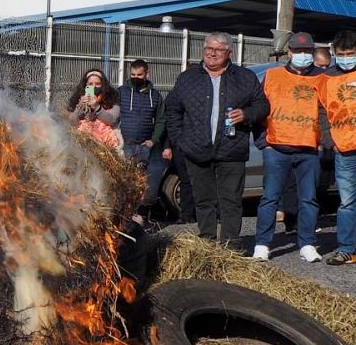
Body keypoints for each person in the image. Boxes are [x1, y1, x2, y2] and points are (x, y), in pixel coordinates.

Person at [166, 33, 268, 247]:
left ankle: (231, 247)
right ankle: (208, 244)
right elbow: (173, 109)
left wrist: (247, 114)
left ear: (229, 53)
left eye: (218, 49)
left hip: (232, 150)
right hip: (196, 150)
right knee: (203, 201)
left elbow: (262, 106)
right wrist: (179, 140)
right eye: (208, 49)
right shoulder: (187, 78)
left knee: (231, 201)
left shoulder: (245, 77)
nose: (212, 53)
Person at [253, 32, 324, 262]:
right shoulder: (272, 76)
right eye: (298, 50)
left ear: (312, 53)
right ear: (289, 52)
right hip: (277, 148)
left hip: (309, 150)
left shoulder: (322, 78)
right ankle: (262, 244)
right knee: (270, 198)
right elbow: (258, 108)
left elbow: (329, 112)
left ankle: (307, 243)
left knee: (309, 199)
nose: (302, 55)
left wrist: (324, 141)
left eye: (307, 51)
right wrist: (263, 142)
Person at [321, 31, 356, 265]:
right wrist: (329, 140)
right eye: (341, 54)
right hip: (344, 150)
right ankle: (347, 249)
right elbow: (321, 111)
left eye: (351, 54)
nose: (345, 58)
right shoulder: (326, 79)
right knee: (347, 203)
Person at [118, 60, 167, 211]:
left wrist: (153, 140)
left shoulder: (156, 95)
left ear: (147, 74)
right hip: (124, 145)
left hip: (145, 147)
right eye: (133, 74)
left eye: (139, 75)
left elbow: (161, 120)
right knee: (124, 184)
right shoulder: (120, 92)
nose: (136, 77)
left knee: (144, 186)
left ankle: (142, 217)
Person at [68, 68, 121, 147]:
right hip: (85, 140)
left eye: (97, 84)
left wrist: (97, 107)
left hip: (107, 141)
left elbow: (111, 120)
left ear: (103, 85)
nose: (94, 86)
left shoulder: (112, 99)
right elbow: (73, 122)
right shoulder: (79, 98)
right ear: (86, 85)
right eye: (90, 84)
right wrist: (80, 107)